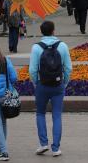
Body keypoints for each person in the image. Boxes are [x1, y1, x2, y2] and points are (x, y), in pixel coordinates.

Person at [29, 21, 72, 157]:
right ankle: (56, 148)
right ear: (54, 30)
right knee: (57, 115)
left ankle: (43, 144)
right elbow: (68, 68)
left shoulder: (36, 48)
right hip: (58, 85)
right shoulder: (63, 46)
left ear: (41, 31)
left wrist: (36, 83)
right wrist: (64, 82)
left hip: (42, 85)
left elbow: (32, 70)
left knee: (40, 113)